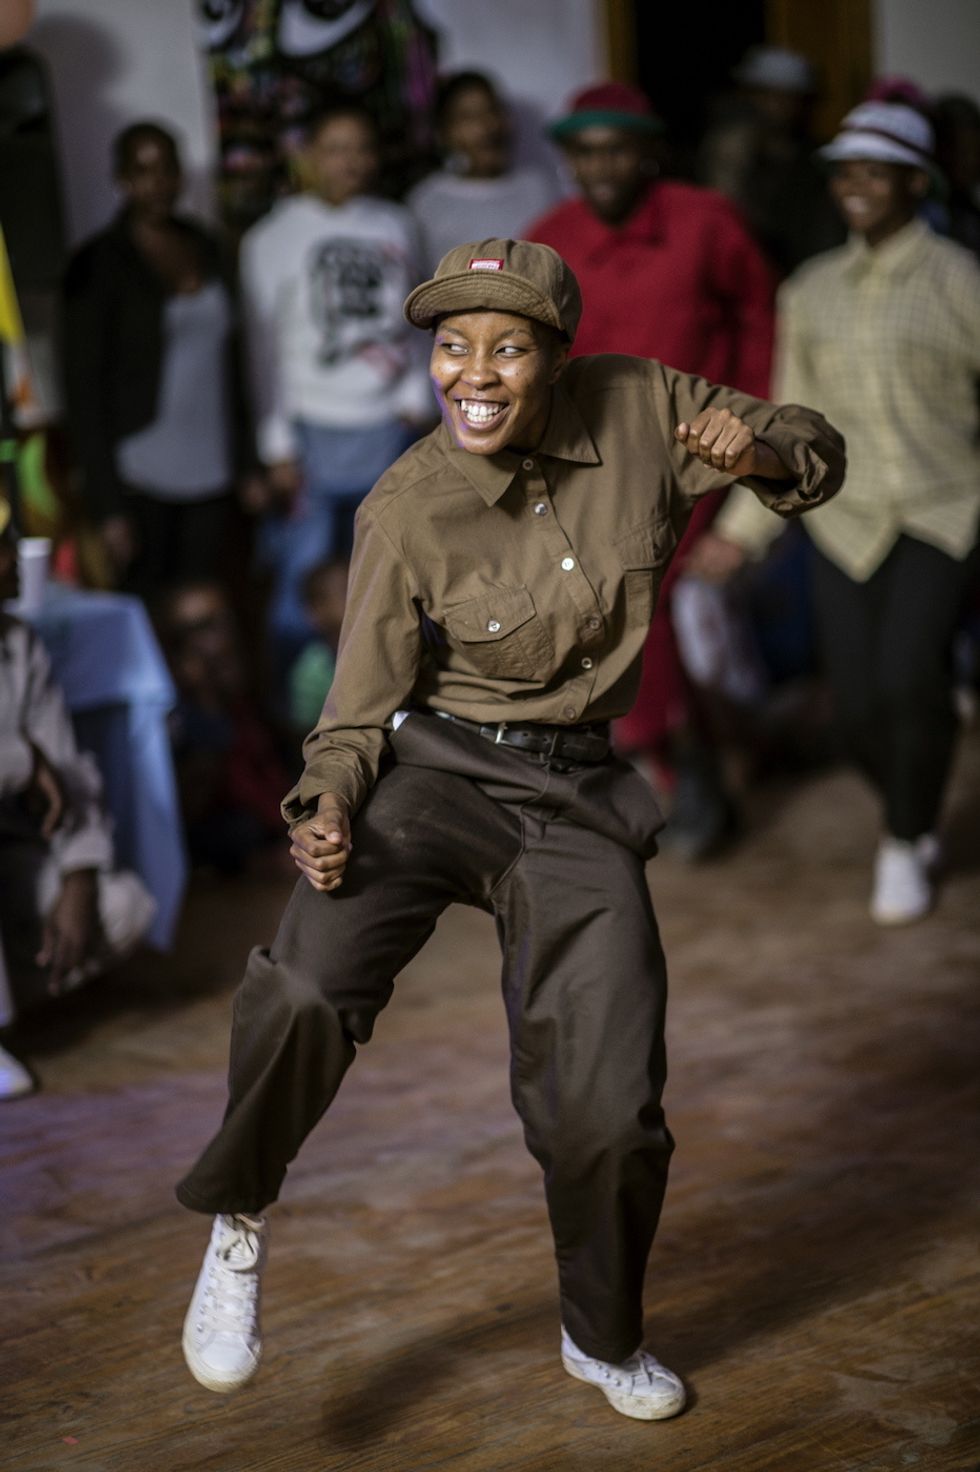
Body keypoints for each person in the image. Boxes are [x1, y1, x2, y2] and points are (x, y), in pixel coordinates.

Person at [175, 238, 845, 1417]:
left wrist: (765, 452)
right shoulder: (407, 506)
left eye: (503, 345)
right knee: (303, 984)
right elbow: (353, 713)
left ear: (557, 357)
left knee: (609, 1109)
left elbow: (805, 441)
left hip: (579, 796)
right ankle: (238, 1217)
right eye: (449, 345)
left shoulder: (642, 402)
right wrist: (328, 801)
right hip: (432, 771)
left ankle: (601, 1333)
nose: (470, 371)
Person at [692, 101, 980, 924]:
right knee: (855, 707)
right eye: (845, 171)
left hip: (942, 510)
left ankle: (903, 837)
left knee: (907, 679)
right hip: (843, 519)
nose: (856, 185)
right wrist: (743, 534)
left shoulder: (960, 278)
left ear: (915, 183)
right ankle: (915, 791)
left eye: (875, 171)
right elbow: (793, 418)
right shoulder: (809, 291)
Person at [527, 82, 776, 858]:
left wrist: (750, 421)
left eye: (617, 148)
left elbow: (758, 318)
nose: (601, 166)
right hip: (589, 460)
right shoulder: (548, 237)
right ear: (568, 160)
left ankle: (693, 765)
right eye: (584, 151)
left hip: (695, 453)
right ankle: (676, 760)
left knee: (658, 600)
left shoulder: (705, 222)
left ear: (649, 152)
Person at [239, 101, 431, 681]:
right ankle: (298, 719)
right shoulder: (271, 236)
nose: (352, 161)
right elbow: (261, 348)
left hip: (387, 426)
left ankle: (402, 704)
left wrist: (416, 401)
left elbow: (419, 317)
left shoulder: (395, 223)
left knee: (395, 575)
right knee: (305, 581)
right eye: (337, 147)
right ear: (308, 156)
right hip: (310, 430)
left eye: (363, 148)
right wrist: (276, 444)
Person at [0, 499, 155, 1098]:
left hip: (11, 848)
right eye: (5, 549)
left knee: (121, 908)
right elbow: (34, 762)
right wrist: (21, 761)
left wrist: (81, 871)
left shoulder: (17, 643)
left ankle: (9, 1004)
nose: (17, 559)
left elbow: (69, 768)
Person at [61, 122, 249, 597]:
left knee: (207, 605)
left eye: (167, 169)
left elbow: (237, 364)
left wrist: (249, 460)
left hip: (213, 470)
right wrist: (106, 507)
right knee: (153, 614)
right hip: (138, 475)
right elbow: (82, 392)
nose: (157, 182)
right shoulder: (98, 263)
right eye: (143, 171)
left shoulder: (208, 246)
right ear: (121, 179)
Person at [698, 45, 846, 277]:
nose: (775, 105)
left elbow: (827, 236)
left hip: (806, 277)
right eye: (765, 94)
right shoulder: (730, 151)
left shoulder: (820, 162)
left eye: (787, 96)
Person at [406, 71, 561, 275]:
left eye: (493, 110)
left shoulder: (538, 190)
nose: (488, 126)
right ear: (444, 134)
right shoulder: (427, 202)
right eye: (469, 117)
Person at [287, 555, 348, 738]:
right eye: (346, 591)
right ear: (316, 611)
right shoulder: (312, 670)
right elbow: (306, 731)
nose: (358, 596)